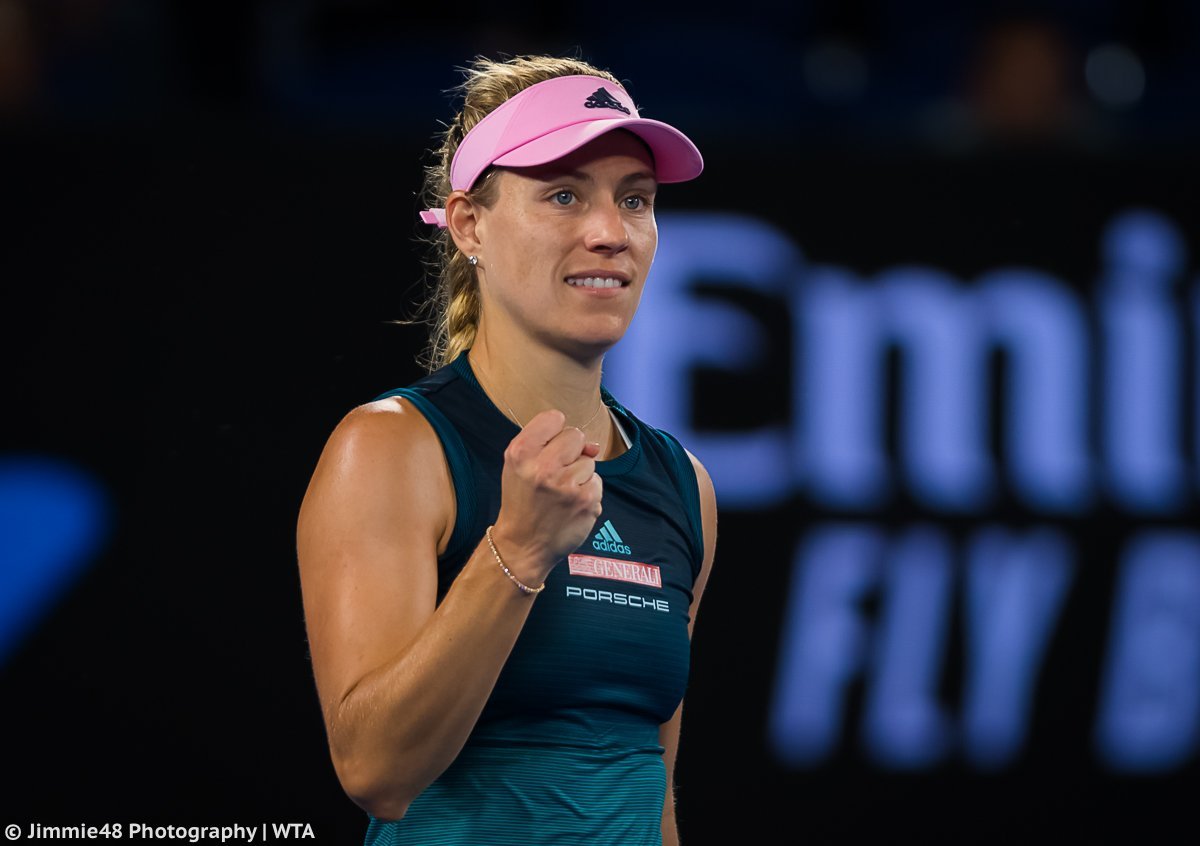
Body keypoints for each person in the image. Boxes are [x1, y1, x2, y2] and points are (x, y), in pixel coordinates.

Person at [296, 54, 717, 846]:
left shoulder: (682, 484)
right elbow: (376, 771)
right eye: (564, 195)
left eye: (635, 199)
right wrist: (518, 551)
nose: (610, 233)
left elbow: (653, 794)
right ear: (469, 225)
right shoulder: (390, 449)